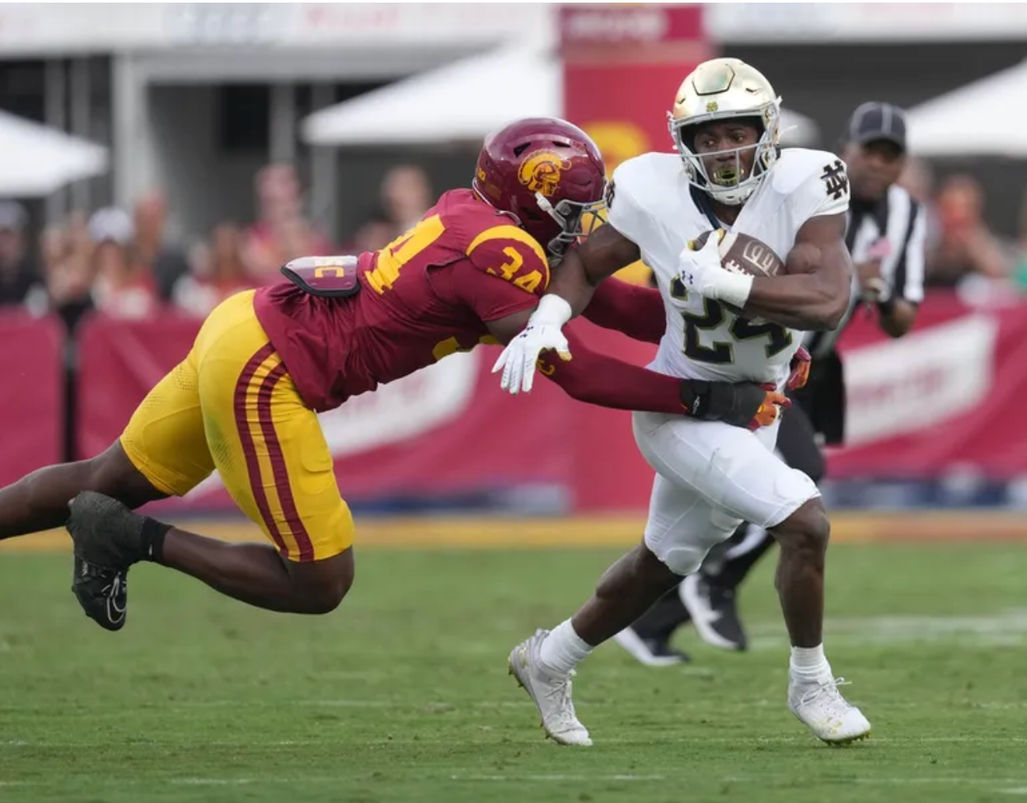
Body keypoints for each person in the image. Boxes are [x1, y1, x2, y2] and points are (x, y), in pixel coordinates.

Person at [0, 117, 784, 633]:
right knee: (319, 578)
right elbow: (573, 372)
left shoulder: (480, 219)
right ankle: (131, 539)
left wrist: (740, 330)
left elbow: (611, 304)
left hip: (244, 327)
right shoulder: (502, 252)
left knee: (106, 471)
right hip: (268, 365)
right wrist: (704, 395)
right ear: (536, 197)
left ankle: (111, 519)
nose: (585, 225)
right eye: (575, 207)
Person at [493, 59, 870, 746]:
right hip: (683, 407)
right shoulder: (649, 189)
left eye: (737, 133)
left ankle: (548, 659)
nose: (724, 151)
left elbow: (827, 298)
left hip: (754, 406)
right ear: (681, 142)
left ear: (768, 130)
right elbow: (583, 262)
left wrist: (732, 286)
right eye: (708, 136)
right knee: (804, 520)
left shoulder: (808, 182)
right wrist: (550, 313)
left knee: (663, 562)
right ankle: (810, 681)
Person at [618, 101, 928, 665]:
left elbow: (900, 319)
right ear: (847, 150)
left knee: (727, 512)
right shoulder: (789, 189)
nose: (878, 165)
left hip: (810, 363)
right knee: (795, 481)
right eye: (869, 151)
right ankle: (714, 584)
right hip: (748, 359)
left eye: (891, 155)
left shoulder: (904, 213)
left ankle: (655, 618)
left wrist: (876, 292)